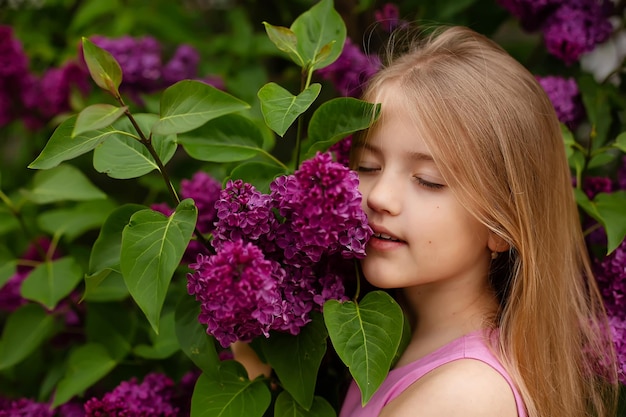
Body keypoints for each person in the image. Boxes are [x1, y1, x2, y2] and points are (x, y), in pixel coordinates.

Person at [339, 25, 619, 417]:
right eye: (368, 166)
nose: (380, 196)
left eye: (428, 180)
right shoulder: (407, 353)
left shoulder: (463, 397)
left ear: (499, 228)